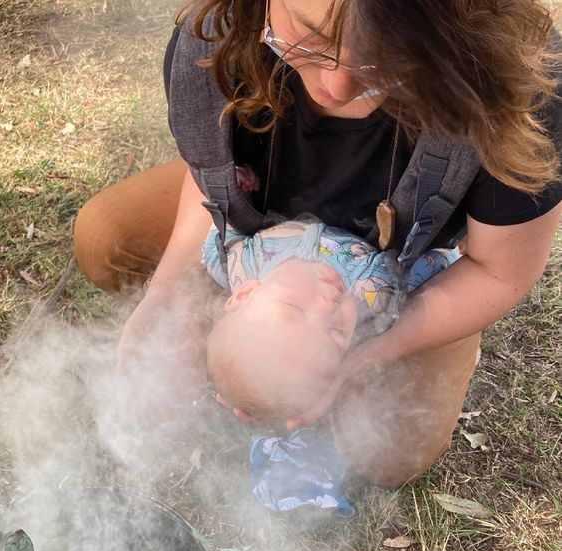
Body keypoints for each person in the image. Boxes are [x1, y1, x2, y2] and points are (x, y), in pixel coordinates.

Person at [73, 0, 561, 487]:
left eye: (385, 59)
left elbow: (500, 271)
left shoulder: (528, 86)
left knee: (390, 457)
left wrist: (356, 357)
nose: (335, 86)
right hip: (259, 233)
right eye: (310, 36)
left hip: (400, 271)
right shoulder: (215, 36)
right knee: (105, 238)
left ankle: (435, 338)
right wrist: (168, 296)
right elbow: (212, 180)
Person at [203, 218, 459, 422]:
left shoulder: (239, 263)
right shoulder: (374, 291)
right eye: (336, 332)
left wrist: (239, 181)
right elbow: (438, 261)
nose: (327, 306)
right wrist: (445, 255)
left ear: (244, 294)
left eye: (294, 309)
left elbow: (219, 227)